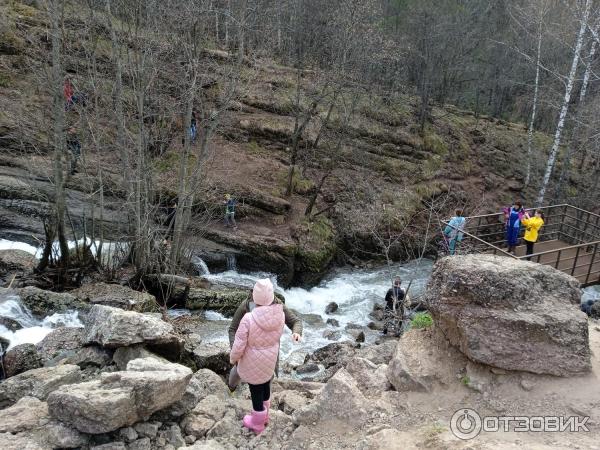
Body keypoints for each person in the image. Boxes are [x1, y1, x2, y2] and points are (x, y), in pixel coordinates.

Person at [230, 279, 285, 435]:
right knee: (266, 386)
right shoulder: (280, 314)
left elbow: (239, 345)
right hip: (270, 359)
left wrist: (233, 359)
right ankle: (265, 416)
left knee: (255, 391)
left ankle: (257, 423)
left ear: (254, 297)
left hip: (252, 361)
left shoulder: (248, 318)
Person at [228, 287, 303, 391]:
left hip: (270, 351)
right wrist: (235, 350)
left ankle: (264, 403)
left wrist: (296, 332)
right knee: (237, 372)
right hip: (249, 348)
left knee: (268, 378)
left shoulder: (277, 304)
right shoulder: (246, 304)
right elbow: (232, 329)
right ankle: (231, 389)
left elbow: (295, 321)